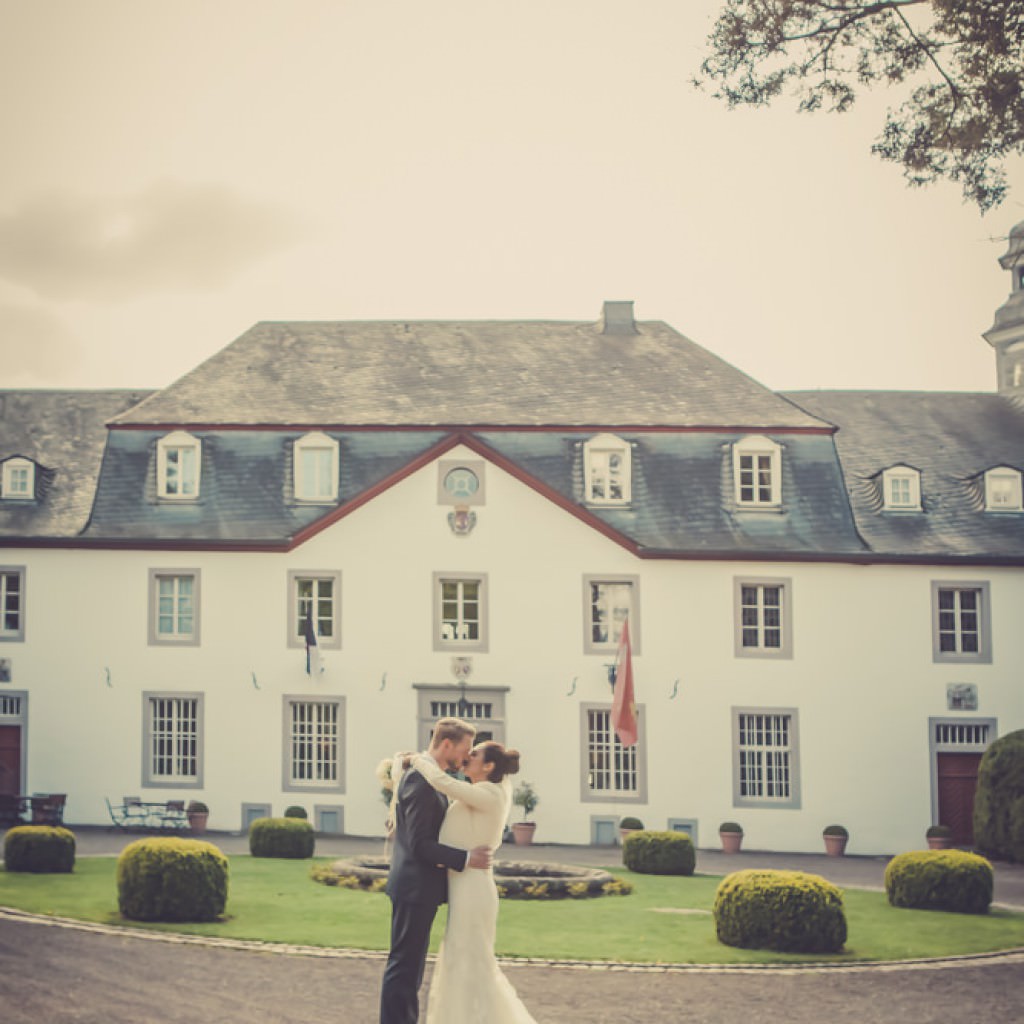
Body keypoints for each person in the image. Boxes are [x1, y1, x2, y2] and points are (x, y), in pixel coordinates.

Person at [411, 739, 539, 1023]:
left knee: (471, 963)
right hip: (464, 887)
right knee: (461, 961)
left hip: (473, 890)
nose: (468, 756)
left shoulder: (490, 793)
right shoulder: (478, 791)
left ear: (489, 766)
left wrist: (420, 761)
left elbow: (443, 783)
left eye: (475, 753)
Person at [379, 718, 492, 1024]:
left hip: (419, 889)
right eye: (464, 749)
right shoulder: (420, 781)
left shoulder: (430, 777)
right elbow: (420, 845)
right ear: (446, 744)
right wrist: (467, 858)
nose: (466, 757)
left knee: (411, 969)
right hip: (414, 888)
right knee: (404, 967)